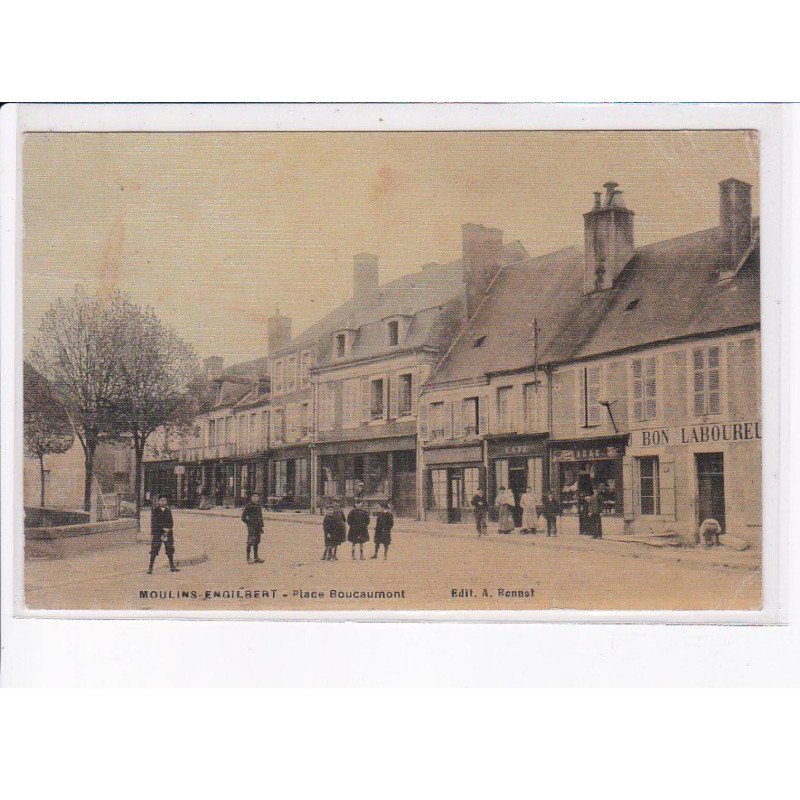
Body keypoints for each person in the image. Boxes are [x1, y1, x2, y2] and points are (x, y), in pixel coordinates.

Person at [147, 494, 180, 574]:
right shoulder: (155, 511)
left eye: (165, 500)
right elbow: (154, 522)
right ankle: (150, 568)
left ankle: (172, 567)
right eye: (161, 500)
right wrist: (162, 528)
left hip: (167, 533)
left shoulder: (168, 510)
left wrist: (168, 529)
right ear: (158, 501)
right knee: (154, 550)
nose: (163, 502)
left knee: (170, 549)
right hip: (157, 533)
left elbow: (171, 522)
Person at [241, 492, 264, 563]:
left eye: (257, 497)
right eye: (254, 496)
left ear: (258, 498)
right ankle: (248, 558)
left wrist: (262, 527)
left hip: (258, 526)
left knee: (257, 541)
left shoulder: (259, 506)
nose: (255, 498)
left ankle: (256, 557)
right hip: (251, 527)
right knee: (250, 541)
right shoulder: (249, 506)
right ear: (251, 498)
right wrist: (249, 523)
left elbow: (260, 517)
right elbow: (243, 517)